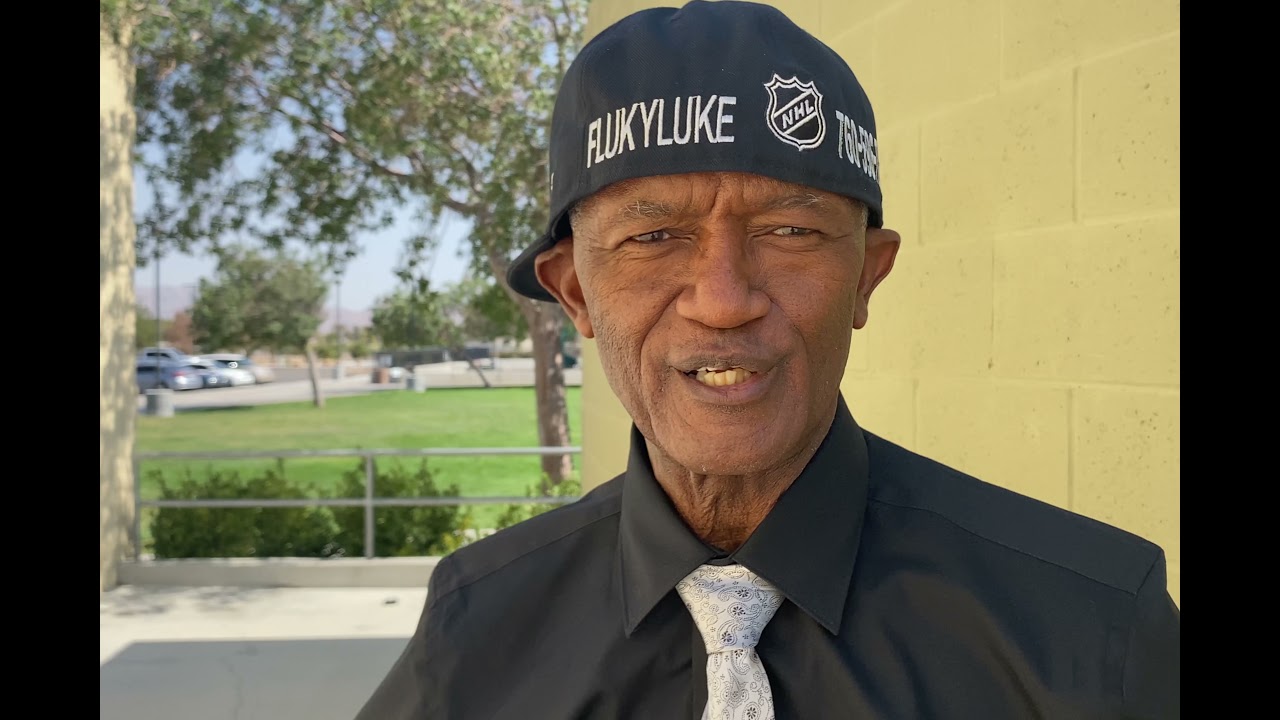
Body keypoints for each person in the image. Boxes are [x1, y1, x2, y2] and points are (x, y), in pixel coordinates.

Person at [354, 2, 1180, 718]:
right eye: (653, 236)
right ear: (575, 294)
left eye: (791, 231)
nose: (724, 300)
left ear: (866, 276)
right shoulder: (476, 631)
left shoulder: (1091, 627)